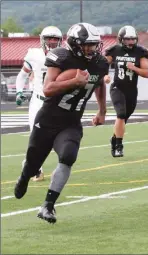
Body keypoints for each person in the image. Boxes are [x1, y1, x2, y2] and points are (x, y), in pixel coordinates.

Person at [14, 22, 109, 224]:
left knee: (68, 156)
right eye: (87, 45)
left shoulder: (99, 63)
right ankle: (24, 176)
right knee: (33, 164)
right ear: (75, 44)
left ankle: (48, 206)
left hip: (71, 121)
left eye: (94, 45)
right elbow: (48, 89)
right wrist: (73, 82)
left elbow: (99, 82)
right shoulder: (61, 57)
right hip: (48, 119)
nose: (92, 49)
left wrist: (102, 110)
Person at [15, 26, 63, 182]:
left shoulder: (65, 56)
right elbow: (22, 75)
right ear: (42, 39)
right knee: (34, 135)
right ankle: (37, 170)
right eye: (49, 38)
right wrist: (19, 92)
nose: (52, 42)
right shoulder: (34, 55)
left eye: (55, 39)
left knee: (56, 137)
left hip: (56, 102)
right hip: (38, 100)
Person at [104, 25, 148, 157]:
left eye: (132, 39)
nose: (130, 42)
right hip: (117, 87)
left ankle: (114, 139)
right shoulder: (114, 50)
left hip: (131, 90)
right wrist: (105, 75)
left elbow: (146, 73)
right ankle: (119, 146)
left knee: (123, 119)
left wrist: (134, 68)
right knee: (121, 114)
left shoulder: (140, 52)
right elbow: (103, 65)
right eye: (127, 39)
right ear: (121, 39)